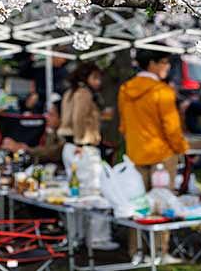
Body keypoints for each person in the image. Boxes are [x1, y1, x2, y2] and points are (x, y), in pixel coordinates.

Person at [118, 49, 188, 265]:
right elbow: (172, 128)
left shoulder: (125, 90)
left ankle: (136, 251)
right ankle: (160, 252)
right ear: (152, 64)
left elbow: (123, 126)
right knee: (161, 203)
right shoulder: (162, 91)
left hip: (135, 154)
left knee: (136, 204)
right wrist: (181, 148)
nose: (167, 67)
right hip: (161, 155)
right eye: (164, 62)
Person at [58, 62, 104, 146]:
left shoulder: (69, 92)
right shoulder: (84, 93)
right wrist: (80, 140)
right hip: (82, 142)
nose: (98, 82)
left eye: (99, 78)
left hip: (69, 140)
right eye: (95, 78)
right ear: (85, 77)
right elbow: (79, 117)